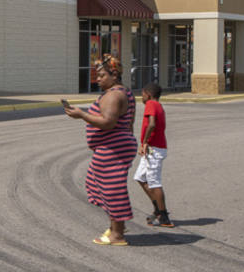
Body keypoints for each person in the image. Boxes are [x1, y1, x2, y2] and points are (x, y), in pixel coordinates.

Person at [62, 53, 136, 245]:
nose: (98, 79)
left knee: (112, 189)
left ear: (114, 75)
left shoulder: (114, 95)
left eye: (102, 75)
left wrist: (82, 115)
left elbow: (108, 122)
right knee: (98, 185)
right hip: (116, 145)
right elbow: (129, 123)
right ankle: (115, 226)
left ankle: (117, 234)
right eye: (97, 75)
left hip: (113, 147)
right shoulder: (123, 92)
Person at [134, 82, 174, 227]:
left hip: (155, 148)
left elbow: (151, 124)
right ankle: (158, 209)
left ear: (148, 94)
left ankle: (164, 217)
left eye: (142, 94)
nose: (141, 97)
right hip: (153, 148)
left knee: (154, 181)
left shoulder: (151, 104)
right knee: (140, 177)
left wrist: (144, 143)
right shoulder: (157, 105)